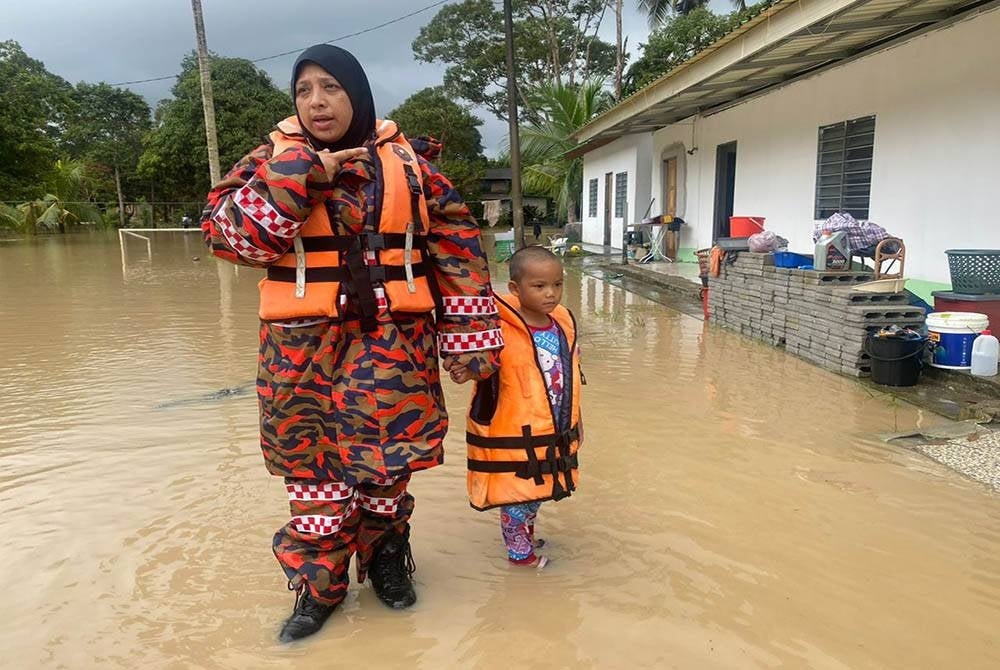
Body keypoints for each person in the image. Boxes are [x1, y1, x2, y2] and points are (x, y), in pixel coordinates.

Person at [199, 44, 502, 642]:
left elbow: (459, 249)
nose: (317, 102)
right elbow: (231, 240)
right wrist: (304, 175)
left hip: (393, 351)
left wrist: (471, 341)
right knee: (314, 479)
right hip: (298, 358)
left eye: (331, 87)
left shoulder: (413, 167)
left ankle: (386, 562)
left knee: (386, 472)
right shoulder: (269, 160)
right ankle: (319, 590)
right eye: (304, 89)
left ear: (357, 94)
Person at [451, 246, 583, 568]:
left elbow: (571, 384)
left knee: (537, 491)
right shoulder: (497, 332)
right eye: (539, 286)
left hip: (551, 432)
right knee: (516, 498)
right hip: (516, 436)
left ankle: (526, 536)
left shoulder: (561, 326)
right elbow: (481, 370)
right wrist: (466, 370)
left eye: (557, 284)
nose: (551, 294)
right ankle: (520, 558)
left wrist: (579, 425)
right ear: (515, 289)